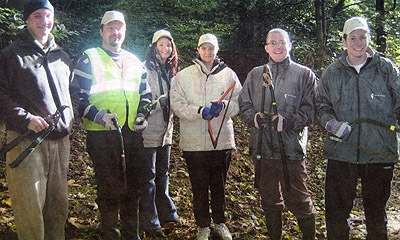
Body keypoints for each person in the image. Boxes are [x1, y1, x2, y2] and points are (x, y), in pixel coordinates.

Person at [0, 0, 79, 239]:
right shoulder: (10, 55)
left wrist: (69, 116)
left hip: (60, 143)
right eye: (37, 16)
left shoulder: (62, 55)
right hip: (26, 141)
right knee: (29, 206)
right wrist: (26, 119)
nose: (44, 21)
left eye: (48, 16)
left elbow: (72, 91)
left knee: (57, 205)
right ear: (26, 20)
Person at [316, 16, 400, 239]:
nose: (358, 43)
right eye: (353, 38)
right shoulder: (332, 72)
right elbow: (321, 107)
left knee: (375, 212)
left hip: (379, 153)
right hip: (342, 153)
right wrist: (331, 124)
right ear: (344, 41)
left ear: (368, 39)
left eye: (363, 37)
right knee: (336, 213)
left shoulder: (386, 69)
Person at [74, 10, 151, 240]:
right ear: (101, 31)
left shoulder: (134, 60)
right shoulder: (89, 58)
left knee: (133, 185)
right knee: (108, 186)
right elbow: (77, 96)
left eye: (119, 28)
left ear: (124, 31)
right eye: (110, 28)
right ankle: (110, 233)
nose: (115, 32)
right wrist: (98, 116)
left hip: (131, 134)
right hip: (102, 135)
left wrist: (141, 116)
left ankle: (131, 233)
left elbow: (145, 94)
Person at [239, 28, 317, 240]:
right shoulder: (255, 74)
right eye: (272, 43)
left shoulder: (304, 75)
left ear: (289, 45)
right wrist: (254, 118)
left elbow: (311, 109)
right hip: (262, 148)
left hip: (291, 149)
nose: (277, 46)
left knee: (299, 199)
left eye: (282, 42)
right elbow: (244, 103)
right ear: (266, 47)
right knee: (269, 199)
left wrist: (288, 122)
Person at [170, 33, 242, 240]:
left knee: (219, 185)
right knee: (199, 186)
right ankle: (203, 225)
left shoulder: (229, 75)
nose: (208, 52)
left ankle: (220, 223)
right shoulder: (183, 75)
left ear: (217, 50)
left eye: (211, 49)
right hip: (193, 142)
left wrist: (224, 107)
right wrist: (200, 111)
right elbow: (177, 104)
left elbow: (240, 103)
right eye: (204, 48)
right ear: (198, 50)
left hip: (221, 141)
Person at [138, 29, 181, 238]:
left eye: (168, 45)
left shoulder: (172, 71)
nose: (165, 49)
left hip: (167, 132)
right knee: (148, 176)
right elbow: (141, 101)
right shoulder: (144, 69)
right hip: (148, 131)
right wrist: (157, 104)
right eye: (161, 45)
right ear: (153, 46)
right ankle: (149, 219)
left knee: (163, 174)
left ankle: (166, 212)